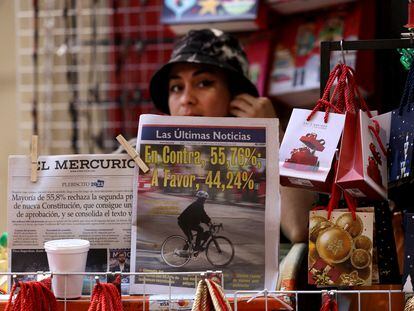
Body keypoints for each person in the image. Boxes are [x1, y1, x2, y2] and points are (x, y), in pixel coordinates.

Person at [149, 28, 316, 244]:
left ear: (237, 95)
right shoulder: (141, 153)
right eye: (176, 87)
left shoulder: (269, 152)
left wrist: (274, 137)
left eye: (204, 83)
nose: (185, 99)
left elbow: (299, 228)